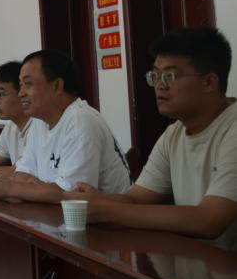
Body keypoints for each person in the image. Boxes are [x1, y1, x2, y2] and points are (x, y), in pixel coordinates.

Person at [71, 27, 237, 249]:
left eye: (170, 76)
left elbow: (209, 220)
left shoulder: (232, 128)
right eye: (155, 76)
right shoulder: (173, 134)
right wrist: (88, 201)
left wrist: (108, 211)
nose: (159, 85)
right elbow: (136, 199)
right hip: (198, 261)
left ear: (209, 82)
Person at [0, 50, 130, 203]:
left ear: (57, 86)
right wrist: (44, 191)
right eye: (20, 85)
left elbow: (72, 195)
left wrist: (12, 189)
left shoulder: (80, 120)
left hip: (107, 216)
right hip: (55, 212)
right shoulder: (39, 121)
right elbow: (22, 174)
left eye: (28, 84)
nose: (21, 93)